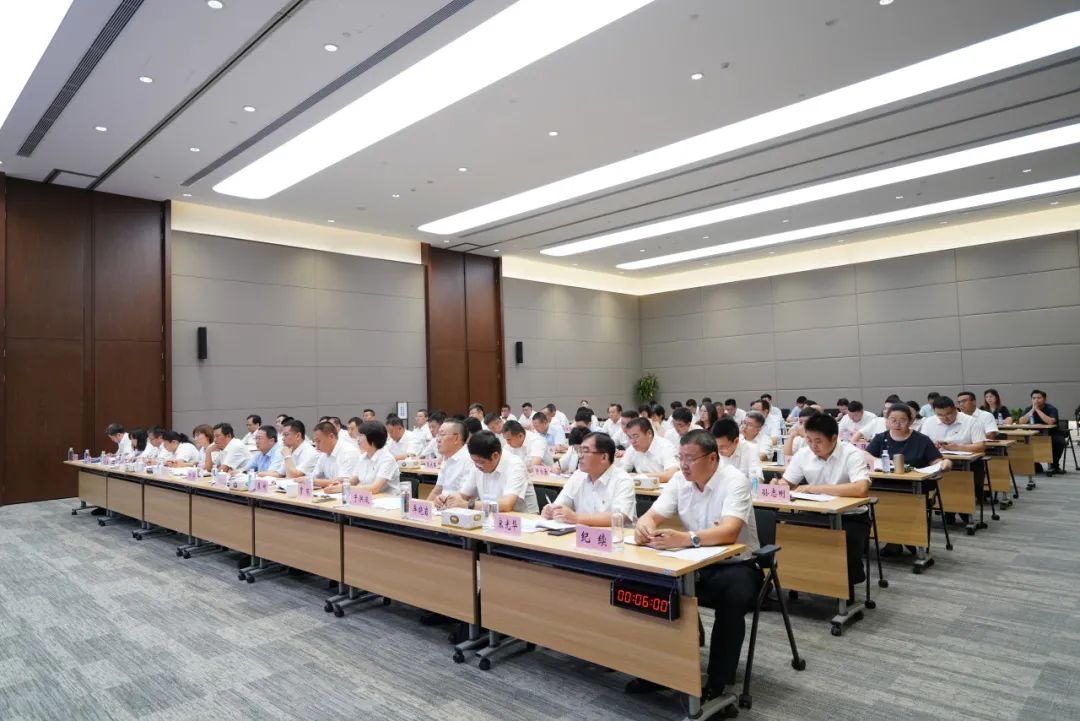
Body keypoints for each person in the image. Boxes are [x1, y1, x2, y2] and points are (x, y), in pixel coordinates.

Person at [630, 430, 760, 699]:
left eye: (690, 458)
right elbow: (651, 515)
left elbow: (729, 532)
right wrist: (644, 526)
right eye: (680, 458)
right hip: (693, 562)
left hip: (736, 564)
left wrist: (686, 538)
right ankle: (662, 671)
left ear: (712, 458)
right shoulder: (679, 480)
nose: (683, 465)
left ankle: (718, 681)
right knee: (651, 585)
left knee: (732, 596)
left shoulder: (735, 481)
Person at [773, 413, 871, 597]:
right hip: (815, 513)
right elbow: (788, 482)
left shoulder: (851, 454)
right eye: (809, 440)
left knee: (845, 540)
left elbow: (861, 488)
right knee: (789, 532)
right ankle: (798, 580)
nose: (812, 446)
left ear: (834, 438)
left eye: (818, 441)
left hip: (850, 516)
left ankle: (844, 589)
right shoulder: (803, 454)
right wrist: (778, 484)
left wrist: (815, 489)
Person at [542, 432, 635, 526]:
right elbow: (560, 505)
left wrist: (575, 517)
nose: (580, 456)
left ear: (604, 457)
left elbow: (619, 518)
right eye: (579, 451)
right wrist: (552, 511)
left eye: (585, 451)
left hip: (613, 534)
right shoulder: (578, 475)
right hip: (579, 533)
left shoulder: (622, 480)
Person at [920, 396, 986, 523]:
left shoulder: (971, 421)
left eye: (948, 414)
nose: (945, 418)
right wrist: (932, 447)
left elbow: (981, 447)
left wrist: (958, 447)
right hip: (938, 463)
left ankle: (962, 511)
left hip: (968, 464)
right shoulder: (929, 422)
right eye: (940, 415)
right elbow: (922, 445)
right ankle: (947, 509)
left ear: (955, 409)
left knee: (962, 481)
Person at [445, 430, 539, 513]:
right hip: (491, 517)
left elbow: (506, 504)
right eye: (474, 461)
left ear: (495, 455)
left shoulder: (515, 465)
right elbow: (463, 495)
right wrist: (448, 499)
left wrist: (467, 505)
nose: (477, 466)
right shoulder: (477, 464)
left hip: (522, 519)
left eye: (481, 462)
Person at [865, 404, 946, 470]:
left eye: (902, 420)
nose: (897, 424)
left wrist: (944, 463)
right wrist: (879, 461)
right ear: (887, 420)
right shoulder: (880, 438)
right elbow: (866, 455)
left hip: (915, 482)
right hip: (885, 481)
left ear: (910, 422)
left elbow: (936, 461)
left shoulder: (922, 440)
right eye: (893, 420)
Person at [428, 420, 478, 506]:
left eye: (442, 435)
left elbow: (466, 496)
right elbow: (437, 491)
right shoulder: (446, 458)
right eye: (438, 435)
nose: (438, 439)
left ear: (456, 438)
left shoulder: (469, 460)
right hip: (444, 507)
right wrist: (427, 505)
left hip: (459, 509)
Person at [1019, 389, 1066, 473]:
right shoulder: (1029, 408)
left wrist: (1037, 410)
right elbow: (1021, 422)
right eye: (1033, 398)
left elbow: (1050, 421)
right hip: (1034, 433)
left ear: (1044, 399)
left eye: (1039, 398)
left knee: (1059, 441)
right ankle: (1036, 464)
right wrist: (1032, 410)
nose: (1036, 400)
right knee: (1022, 441)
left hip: (1052, 433)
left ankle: (1054, 465)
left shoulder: (1051, 408)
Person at [617, 418, 678, 482]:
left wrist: (639, 476)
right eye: (629, 437)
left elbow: (671, 474)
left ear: (649, 433)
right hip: (641, 487)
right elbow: (620, 471)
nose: (632, 441)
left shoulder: (665, 446)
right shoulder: (632, 449)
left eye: (636, 436)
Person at [310, 421, 361, 492]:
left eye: (318, 441)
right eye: (315, 441)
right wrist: (309, 480)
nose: (316, 445)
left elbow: (342, 482)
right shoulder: (323, 454)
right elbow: (314, 475)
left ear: (331, 437)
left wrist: (311, 481)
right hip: (332, 493)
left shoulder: (348, 452)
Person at [353, 420, 401, 494]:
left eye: (361, 436)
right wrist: (339, 485)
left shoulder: (387, 459)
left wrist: (346, 488)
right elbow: (353, 480)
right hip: (368, 498)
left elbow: (375, 488)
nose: (358, 439)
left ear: (373, 439)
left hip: (387, 499)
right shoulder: (362, 457)